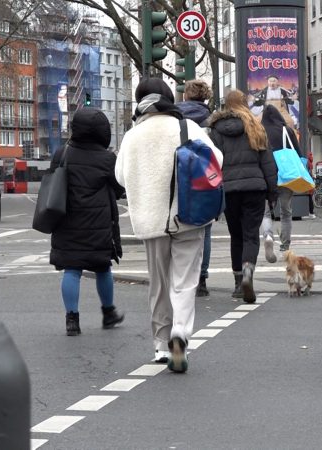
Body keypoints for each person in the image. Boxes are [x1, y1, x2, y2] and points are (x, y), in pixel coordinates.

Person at [115, 78, 223, 372]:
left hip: (151, 220)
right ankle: (180, 333)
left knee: (159, 284)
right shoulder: (187, 127)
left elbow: (120, 177)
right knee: (185, 281)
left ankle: (162, 345)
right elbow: (217, 161)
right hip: (189, 214)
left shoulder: (132, 136)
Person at [50, 107, 125, 337]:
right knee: (103, 268)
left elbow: (52, 183)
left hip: (66, 223)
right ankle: (108, 312)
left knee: (71, 270)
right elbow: (119, 188)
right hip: (98, 225)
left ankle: (72, 319)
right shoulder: (107, 158)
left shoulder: (62, 154)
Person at [209, 90, 278, 304]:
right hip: (254, 187)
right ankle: (248, 270)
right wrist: (272, 191)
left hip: (229, 189)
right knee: (250, 235)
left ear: (226, 105)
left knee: (236, 236)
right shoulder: (255, 126)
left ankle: (239, 283)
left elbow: (213, 164)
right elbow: (267, 162)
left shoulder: (216, 131)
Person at [176, 80, 215, 298]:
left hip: (180, 175)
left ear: (186, 96)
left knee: (178, 226)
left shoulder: (175, 118)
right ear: (205, 97)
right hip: (204, 178)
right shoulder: (211, 119)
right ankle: (201, 279)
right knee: (205, 230)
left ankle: (182, 275)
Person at [260, 104, 303, 260]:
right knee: (286, 212)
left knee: (265, 212)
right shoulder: (286, 131)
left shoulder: (259, 131)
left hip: (266, 175)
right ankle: (285, 246)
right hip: (285, 175)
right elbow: (298, 153)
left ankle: (268, 236)